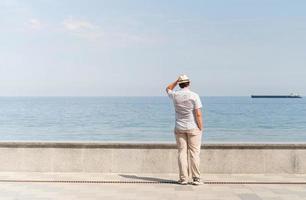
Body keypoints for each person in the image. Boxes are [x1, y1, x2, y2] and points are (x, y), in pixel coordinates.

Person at [166, 75, 203, 185]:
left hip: (179, 127)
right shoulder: (194, 96)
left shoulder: (175, 95)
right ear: (189, 83)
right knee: (194, 153)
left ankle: (183, 179)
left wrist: (176, 81)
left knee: (182, 153)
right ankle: (196, 178)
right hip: (193, 127)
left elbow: (167, 88)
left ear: (180, 84)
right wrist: (201, 127)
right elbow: (198, 114)